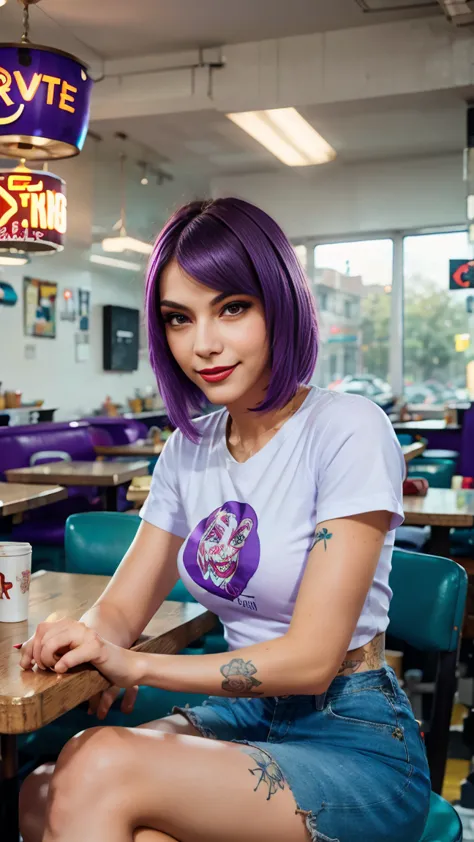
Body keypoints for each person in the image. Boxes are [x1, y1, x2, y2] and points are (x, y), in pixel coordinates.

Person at [19, 198, 430, 842]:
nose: (202, 343)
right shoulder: (189, 447)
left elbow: (312, 660)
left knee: (97, 766)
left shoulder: (347, 427)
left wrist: (138, 667)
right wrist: (81, 636)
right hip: (240, 716)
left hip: (353, 735)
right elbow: (121, 612)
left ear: (279, 305)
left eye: (232, 308)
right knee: (45, 788)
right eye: (179, 319)